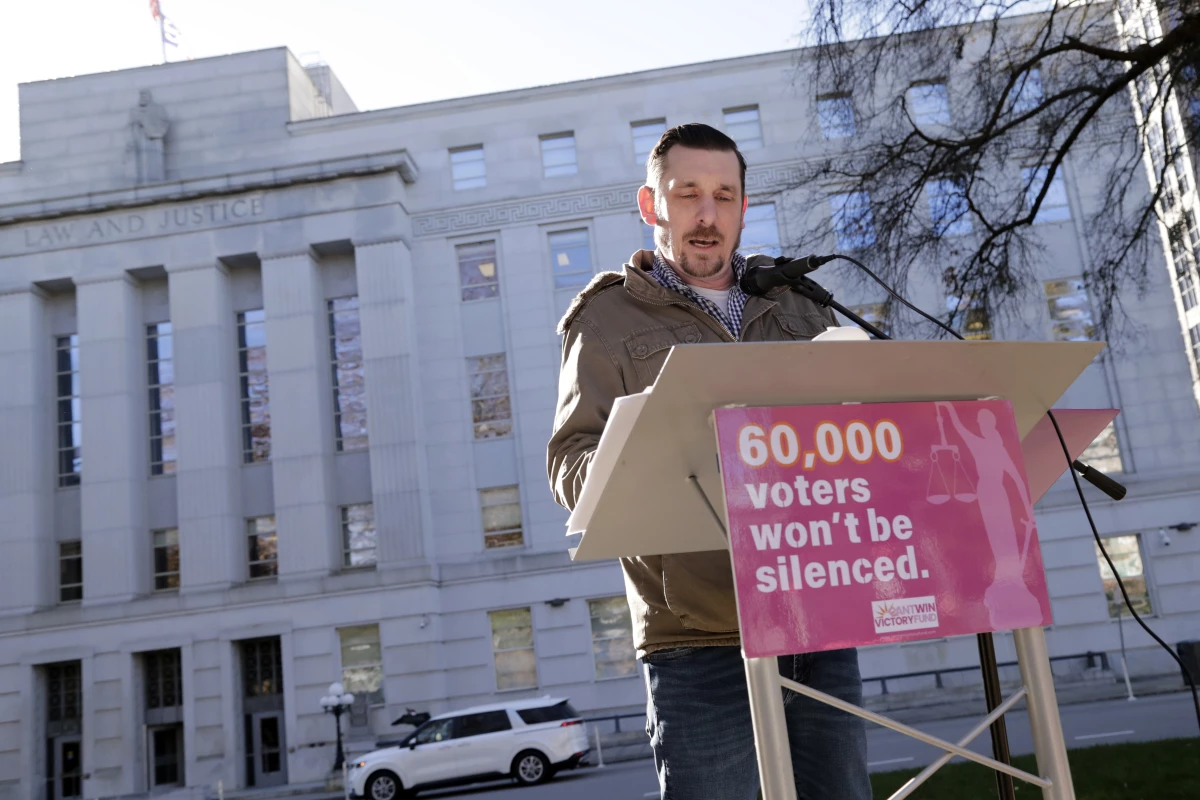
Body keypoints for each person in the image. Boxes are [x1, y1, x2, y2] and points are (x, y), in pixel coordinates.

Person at [547, 123, 871, 800]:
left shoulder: (799, 305)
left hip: (817, 609)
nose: (706, 213)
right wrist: (647, 459)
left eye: (724, 195)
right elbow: (570, 463)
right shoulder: (604, 320)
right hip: (697, 636)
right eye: (687, 193)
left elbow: (861, 428)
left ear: (744, 208)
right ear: (650, 204)